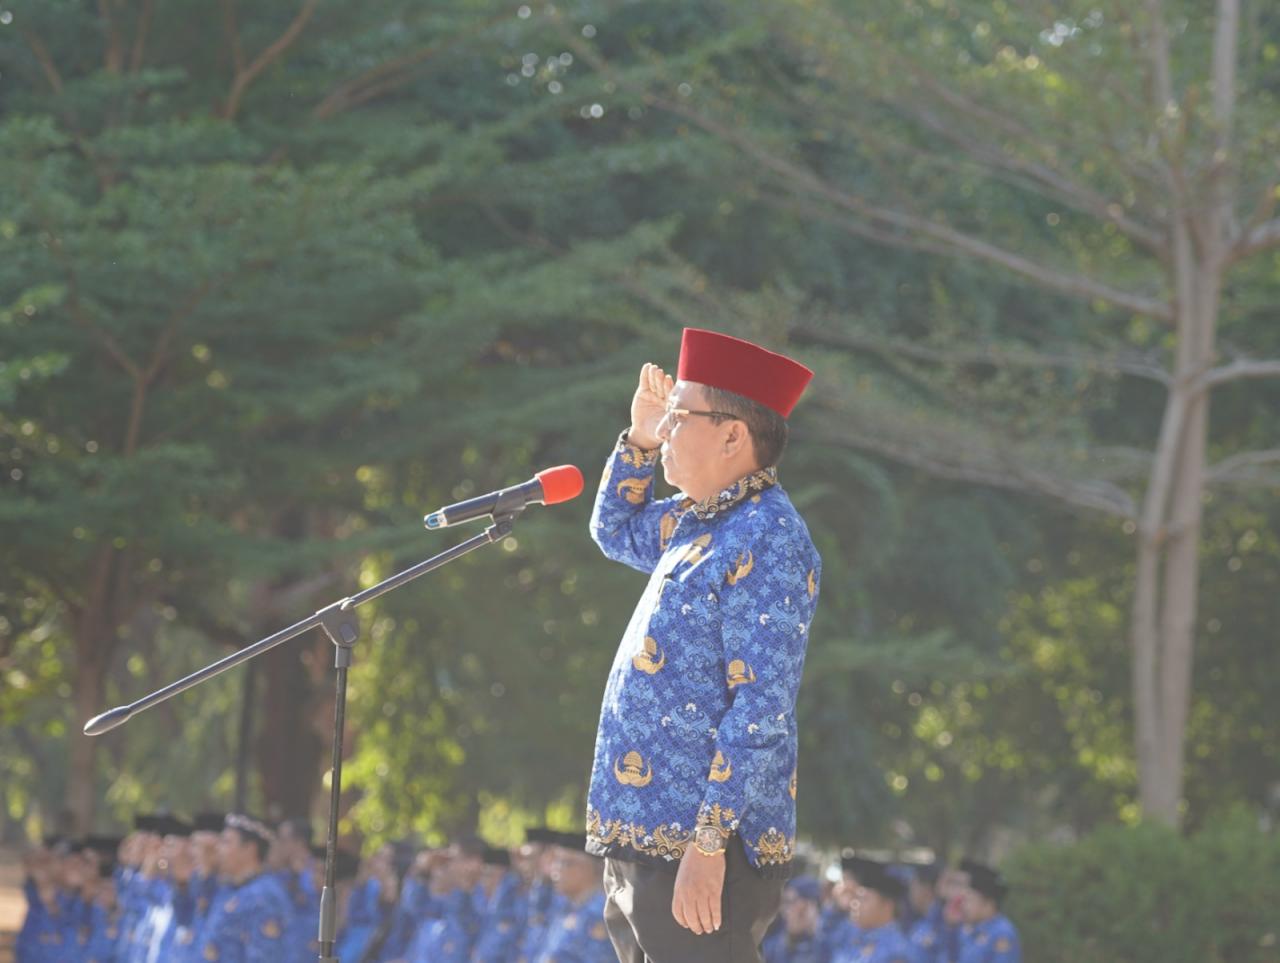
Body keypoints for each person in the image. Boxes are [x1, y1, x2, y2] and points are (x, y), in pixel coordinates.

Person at [588, 328, 820, 963]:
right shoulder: (699, 520)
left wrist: (710, 842)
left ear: (732, 435)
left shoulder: (765, 536)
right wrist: (636, 439)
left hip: (702, 844)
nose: (665, 430)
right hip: (640, 832)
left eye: (677, 416)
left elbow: (761, 708)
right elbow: (614, 530)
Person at [186, 814, 291, 963]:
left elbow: (263, 956)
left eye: (226, 842)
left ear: (249, 849)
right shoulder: (228, 889)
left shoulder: (265, 895)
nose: (218, 849)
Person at [534, 832, 615, 963]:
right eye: (556, 862)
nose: (556, 871)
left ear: (592, 867)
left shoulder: (601, 913)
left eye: (566, 863)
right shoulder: (563, 907)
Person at [830, 857, 916, 963]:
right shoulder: (852, 935)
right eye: (856, 898)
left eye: (864, 899)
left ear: (887, 905)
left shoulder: (897, 949)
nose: (855, 904)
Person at [955, 862, 1020, 963]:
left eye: (969, 900)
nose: (964, 906)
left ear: (988, 905)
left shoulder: (1002, 933)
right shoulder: (969, 929)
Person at [761, 875, 830, 963]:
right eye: (786, 903)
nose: (785, 911)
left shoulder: (826, 949)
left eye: (790, 902)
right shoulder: (770, 945)